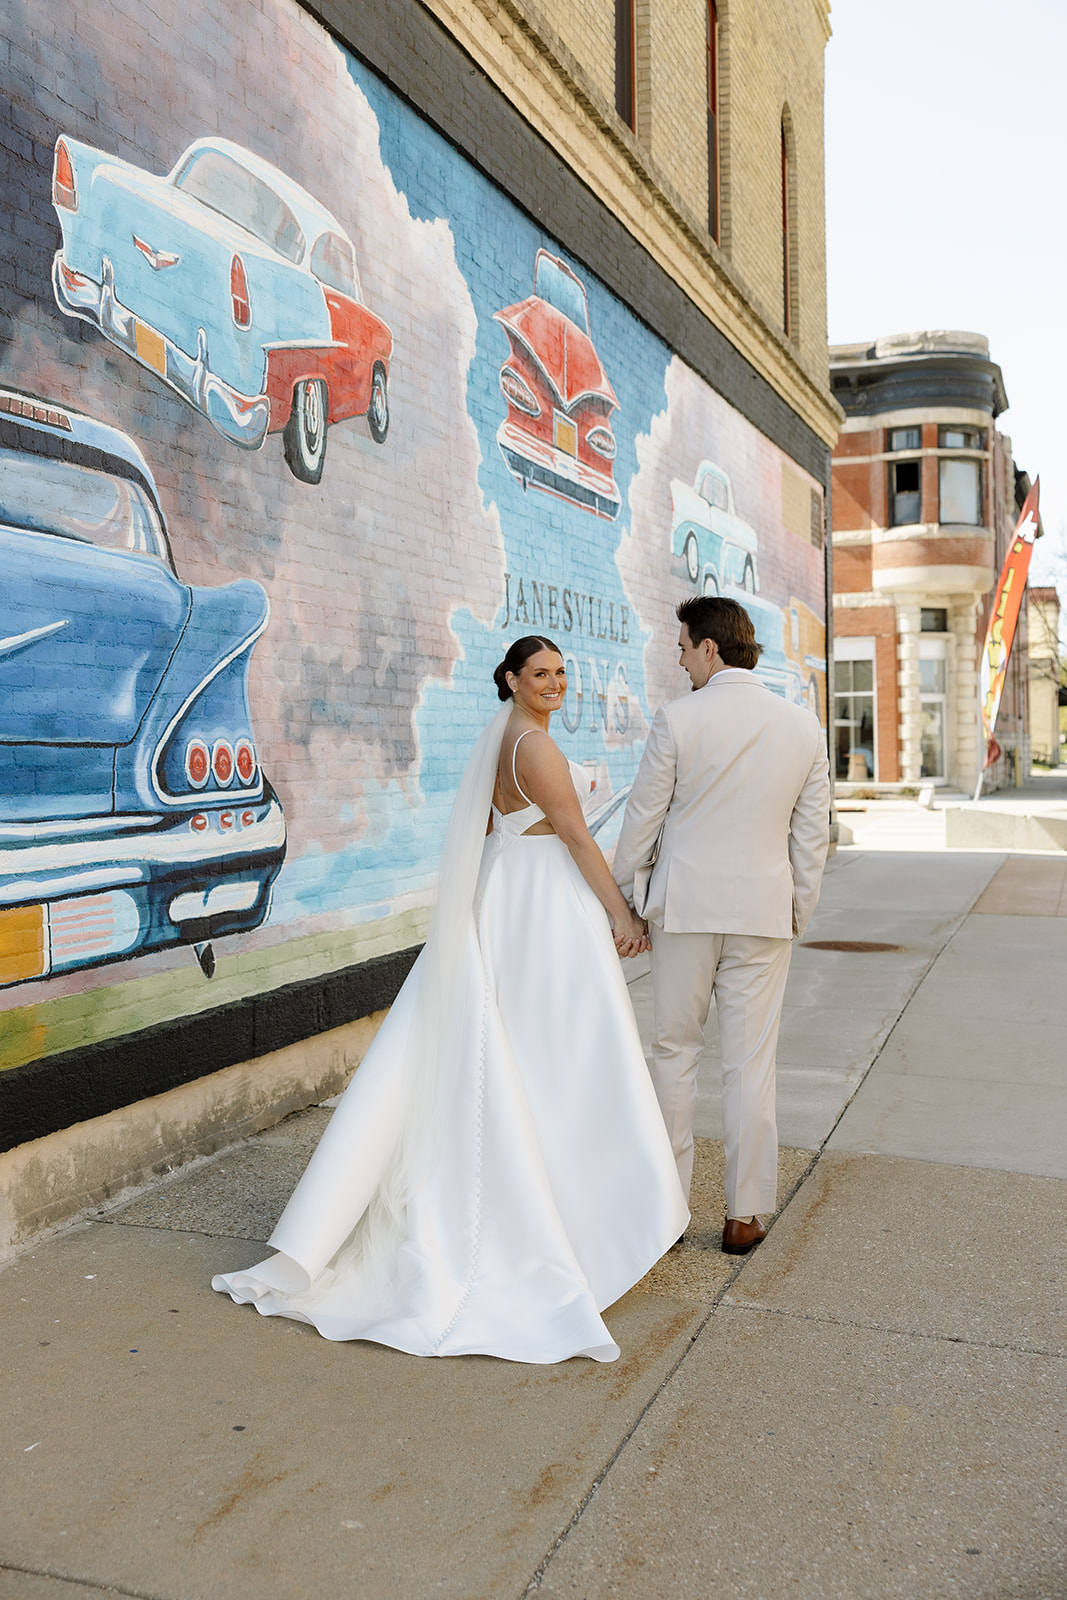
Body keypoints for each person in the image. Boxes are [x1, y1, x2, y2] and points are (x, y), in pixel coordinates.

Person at [213, 636, 687, 1362]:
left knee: (519, 1044)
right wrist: (620, 914)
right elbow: (576, 839)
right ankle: (558, 1206)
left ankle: (548, 1182)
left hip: (507, 891)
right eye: (539, 674)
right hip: (540, 903)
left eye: (561, 674)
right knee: (557, 1047)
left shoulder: (504, 738)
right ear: (510, 680)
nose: (553, 684)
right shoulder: (531, 746)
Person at [612, 596, 830, 1255]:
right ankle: (743, 1215)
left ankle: (669, 1211)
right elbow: (810, 837)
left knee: (675, 1054)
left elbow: (638, 827)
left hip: (684, 909)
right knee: (750, 1063)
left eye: (681, 647)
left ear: (710, 647)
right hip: (763, 913)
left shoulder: (676, 720)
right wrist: (796, 909)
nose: (678, 660)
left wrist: (634, 897)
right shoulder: (802, 728)